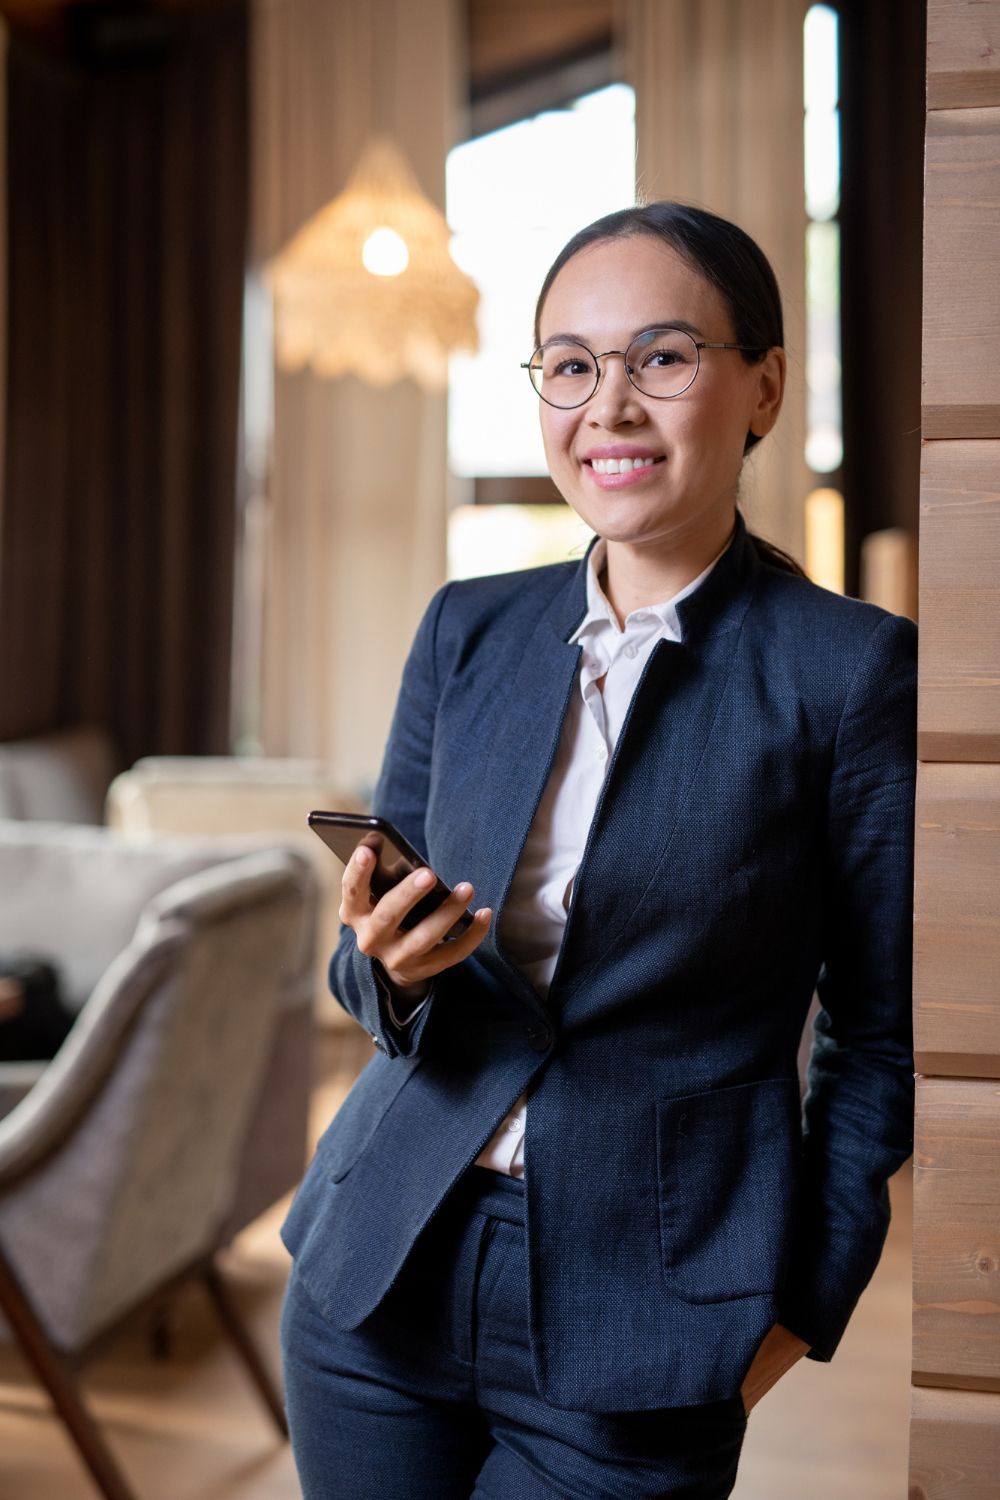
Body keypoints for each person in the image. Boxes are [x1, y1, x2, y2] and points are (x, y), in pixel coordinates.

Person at [278, 201, 917, 1499]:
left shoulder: (846, 671)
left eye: (661, 358)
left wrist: (797, 1311)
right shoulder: (468, 629)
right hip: (381, 1268)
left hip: (647, 1314)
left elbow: (881, 1041)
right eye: (570, 365)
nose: (608, 405)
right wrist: (385, 971)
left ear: (763, 388)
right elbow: (365, 975)